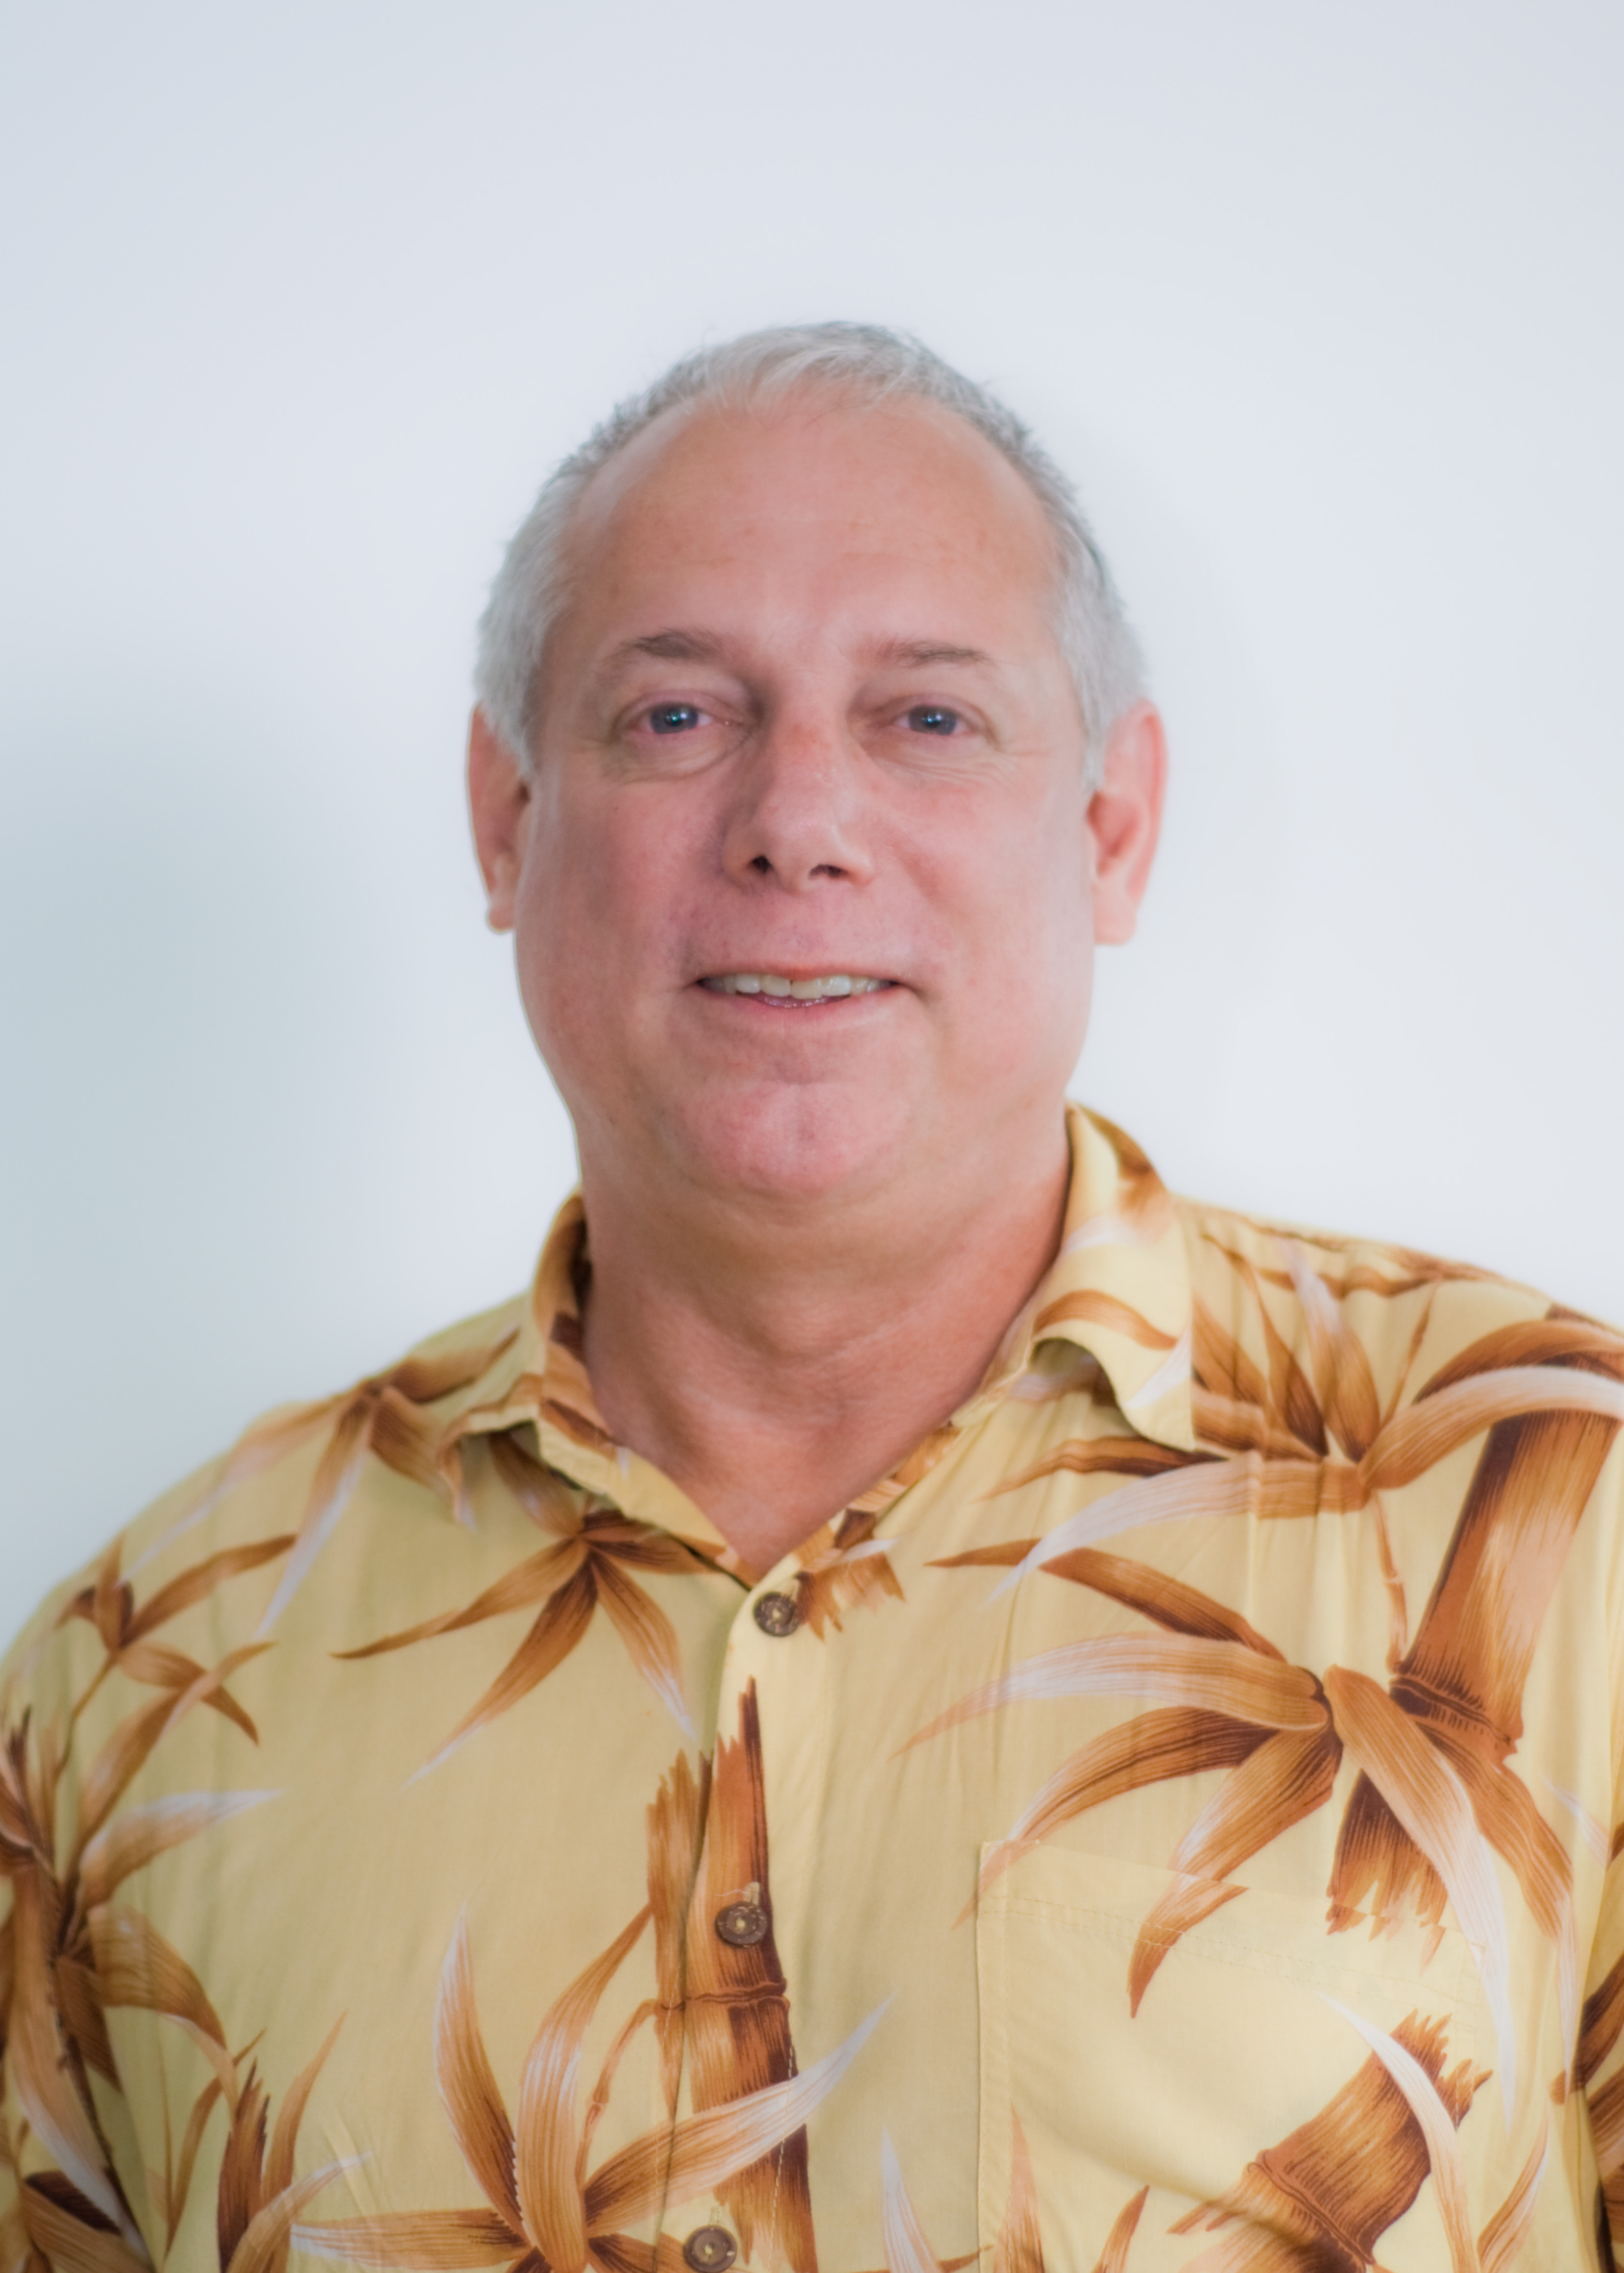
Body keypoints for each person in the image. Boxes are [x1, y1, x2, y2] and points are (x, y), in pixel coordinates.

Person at [2, 323, 1621, 2273]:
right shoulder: (143, 1674)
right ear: (506, 816)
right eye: (677, 714)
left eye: (926, 716)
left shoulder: (1558, 1521)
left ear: (1109, 825)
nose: (797, 820)